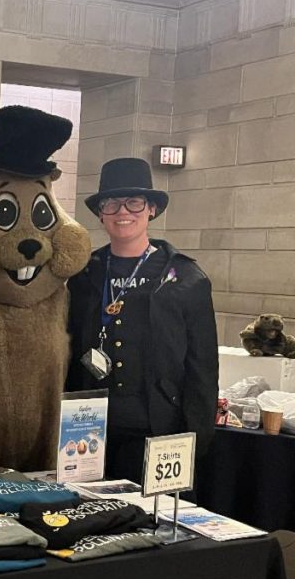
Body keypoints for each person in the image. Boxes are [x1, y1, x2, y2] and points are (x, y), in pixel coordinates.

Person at [66, 157, 218, 483]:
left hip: (158, 429)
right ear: (100, 213)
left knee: (154, 526)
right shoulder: (84, 275)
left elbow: (203, 367)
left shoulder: (186, 277)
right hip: (89, 431)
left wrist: (196, 438)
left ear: (151, 209)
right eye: (112, 203)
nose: (123, 212)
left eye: (134, 203)